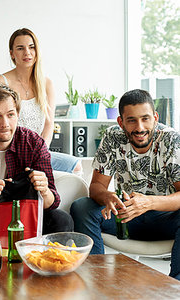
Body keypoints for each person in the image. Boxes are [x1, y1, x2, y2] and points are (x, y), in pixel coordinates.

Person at [70, 89, 180, 280]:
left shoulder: (171, 139)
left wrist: (149, 203)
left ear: (155, 117)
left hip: (166, 219)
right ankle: (96, 281)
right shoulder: (112, 137)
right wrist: (107, 196)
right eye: (131, 120)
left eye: (145, 119)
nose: (140, 127)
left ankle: (176, 286)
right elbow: (96, 187)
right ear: (121, 122)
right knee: (82, 206)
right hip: (126, 217)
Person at [0, 84, 73, 234]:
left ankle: (42, 258)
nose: (5, 124)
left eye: (10, 115)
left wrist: (44, 190)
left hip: (23, 214)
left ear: (17, 114)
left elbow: (52, 202)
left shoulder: (34, 143)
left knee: (61, 219)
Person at [0, 28, 81, 174]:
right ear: (12, 53)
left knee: (75, 165)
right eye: (20, 48)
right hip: (10, 150)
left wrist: (40, 152)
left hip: (37, 151)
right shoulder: (1, 82)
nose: (27, 52)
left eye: (31, 47)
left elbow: (48, 124)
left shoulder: (46, 84)